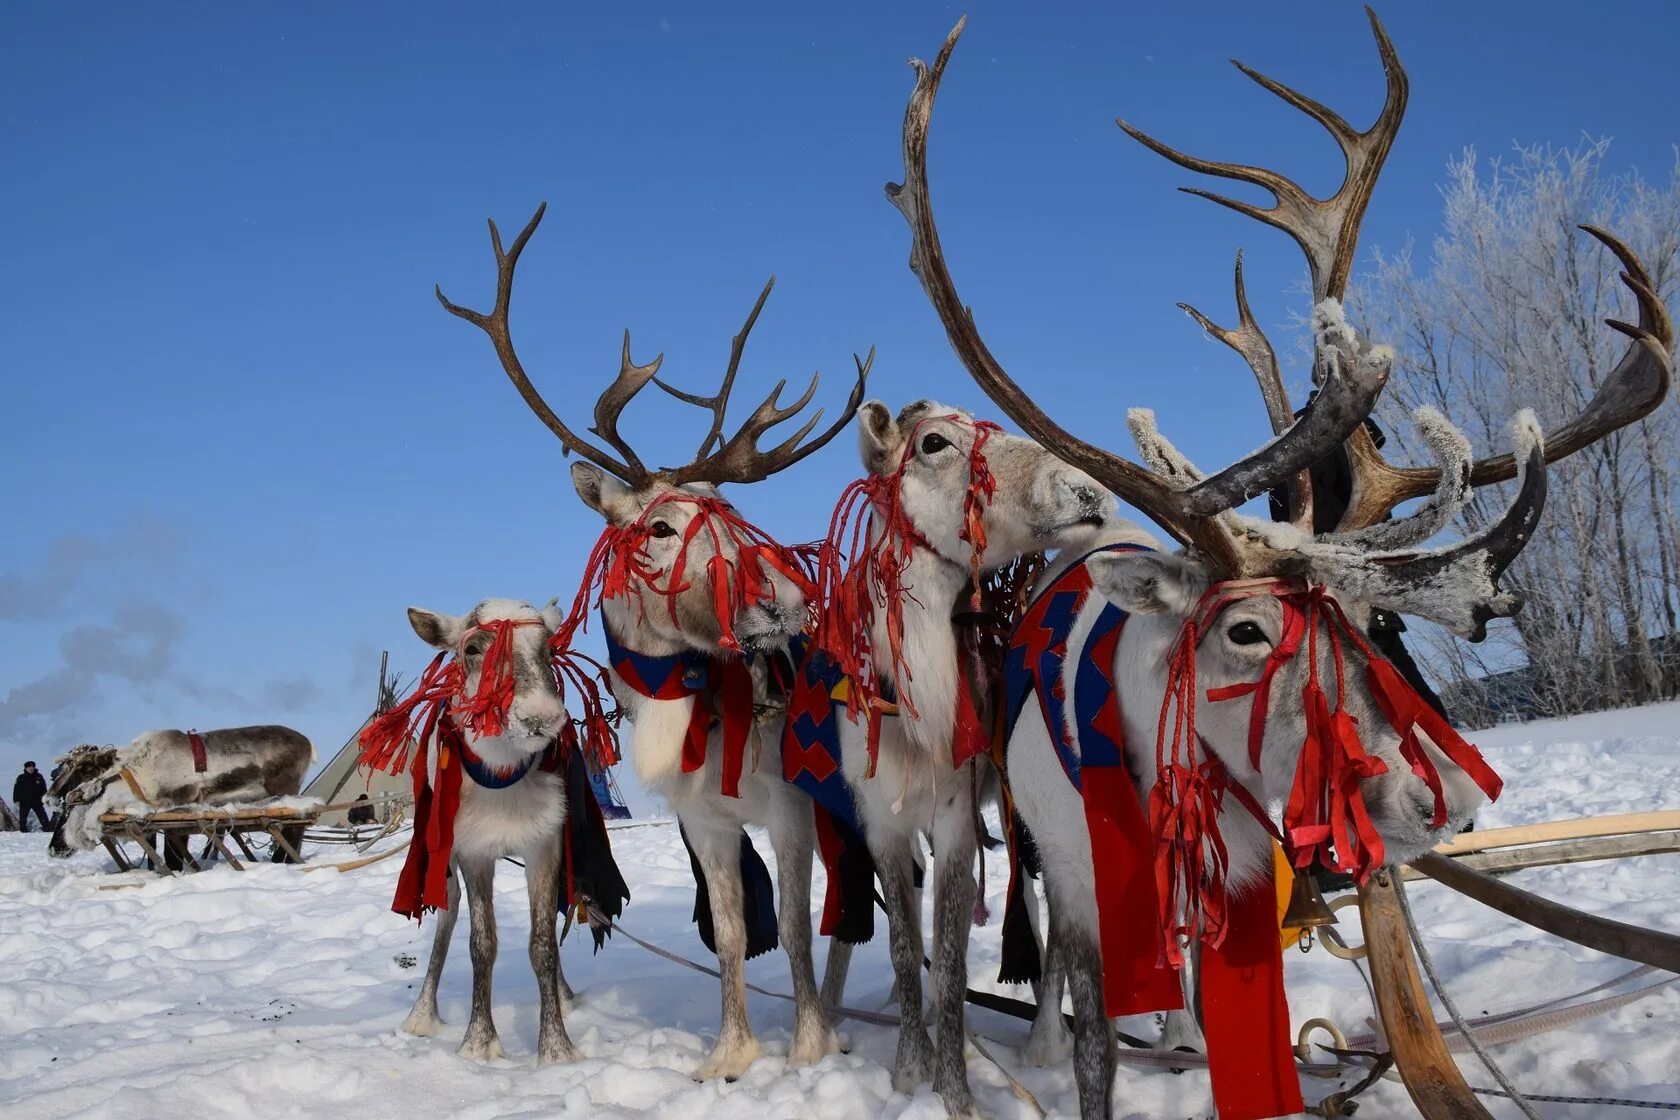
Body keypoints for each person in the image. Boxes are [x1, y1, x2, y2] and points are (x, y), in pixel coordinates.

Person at [13, 761, 51, 833]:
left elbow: (43, 788)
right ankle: (23, 831)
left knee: (42, 816)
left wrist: (46, 797)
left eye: (32, 767)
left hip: (37, 801)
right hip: (24, 801)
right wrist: (16, 800)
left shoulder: (39, 776)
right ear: (26, 768)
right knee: (23, 817)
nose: (31, 769)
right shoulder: (21, 777)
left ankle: (48, 829)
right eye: (29, 767)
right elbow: (16, 789)